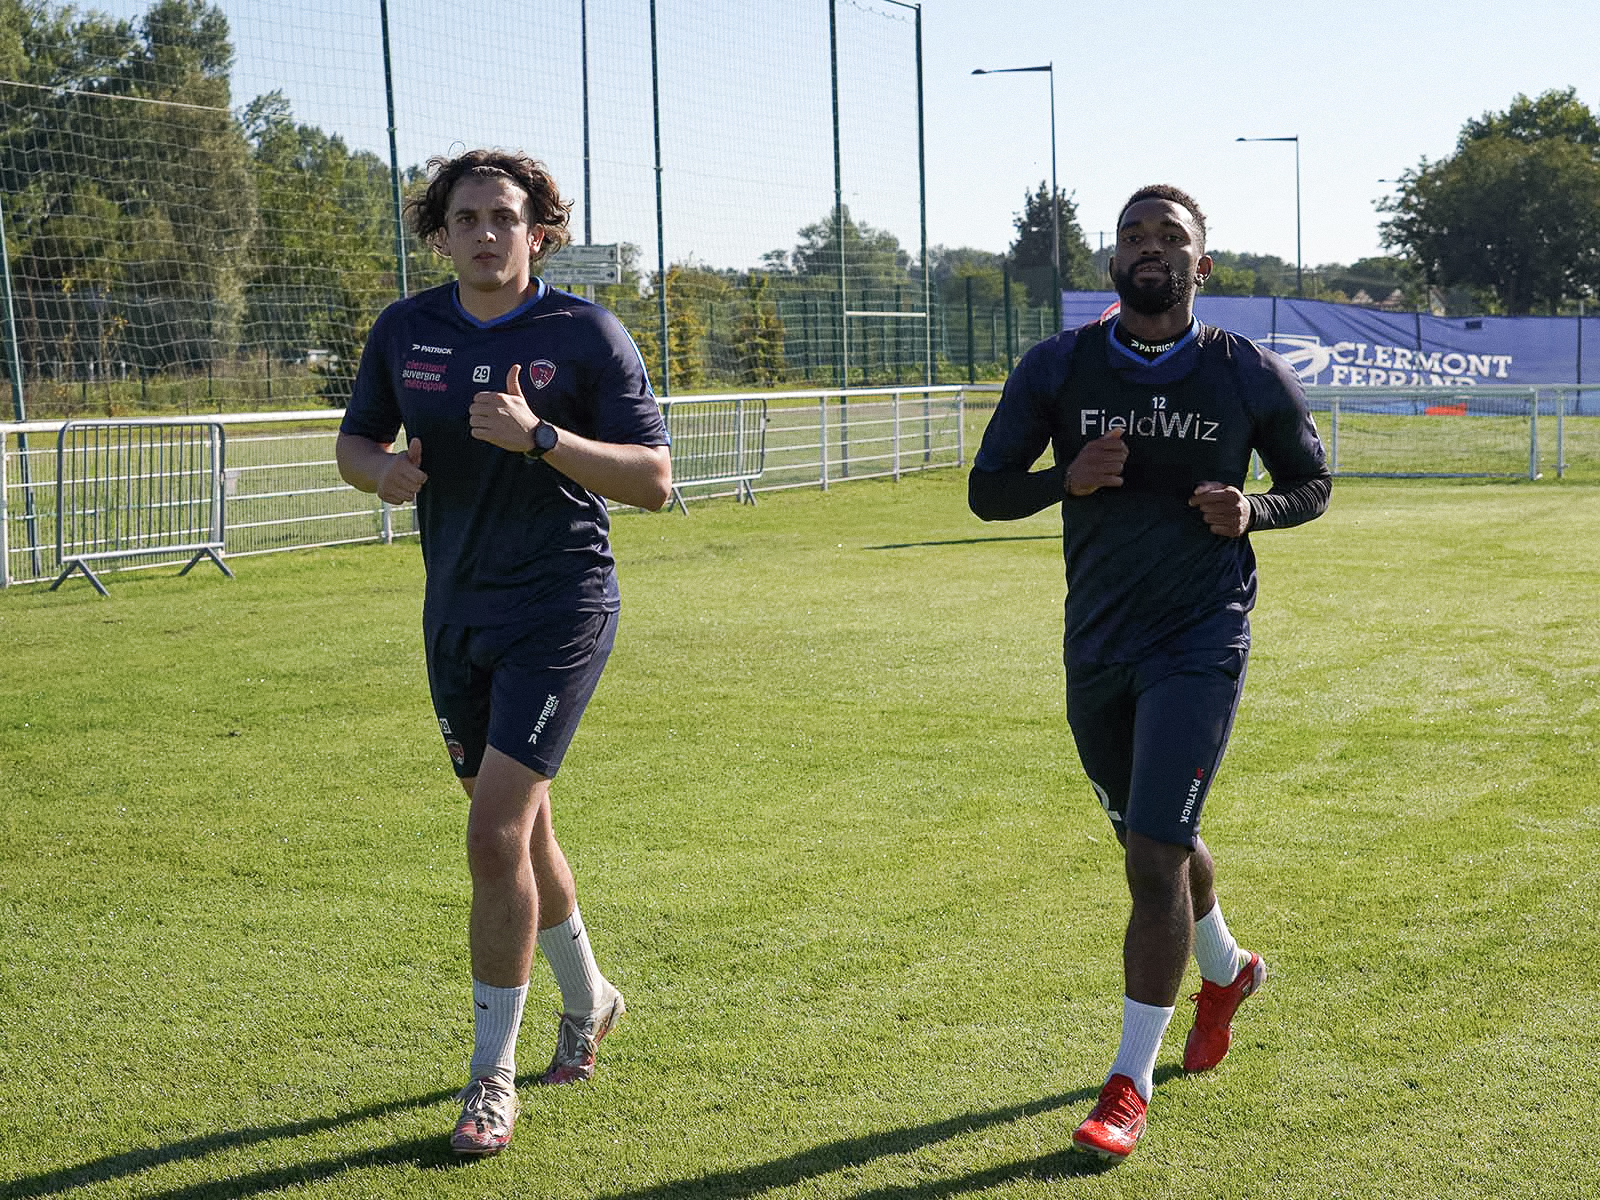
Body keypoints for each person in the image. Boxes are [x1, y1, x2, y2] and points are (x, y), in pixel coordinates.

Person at [967, 185, 1330, 1163]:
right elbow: (987, 492)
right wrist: (1066, 478)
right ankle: (1229, 970)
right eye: (1134, 235)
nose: (1150, 248)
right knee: (1151, 838)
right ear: (1112, 262)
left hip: (1201, 639)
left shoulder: (1244, 370)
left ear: (1200, 266)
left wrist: (1253, 510)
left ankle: (1127, 1085)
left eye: (1171, 236)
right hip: (1098, 645)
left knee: (1153, 853)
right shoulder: (1059, 365)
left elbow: (1312, 482)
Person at [336, 149, 671, 1157]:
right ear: (439, 236)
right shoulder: (405, 329)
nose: (486, 233)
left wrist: (543, 439)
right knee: (521, 833)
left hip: (560, 607)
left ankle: (491, 1079)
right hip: (456, 614)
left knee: (492, 836)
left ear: (540, 232)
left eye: (505, 217)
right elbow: (355, 444)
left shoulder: (584, 333)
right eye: (466, 218)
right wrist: (382, 474)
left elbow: (654, 481)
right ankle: (591, 996)